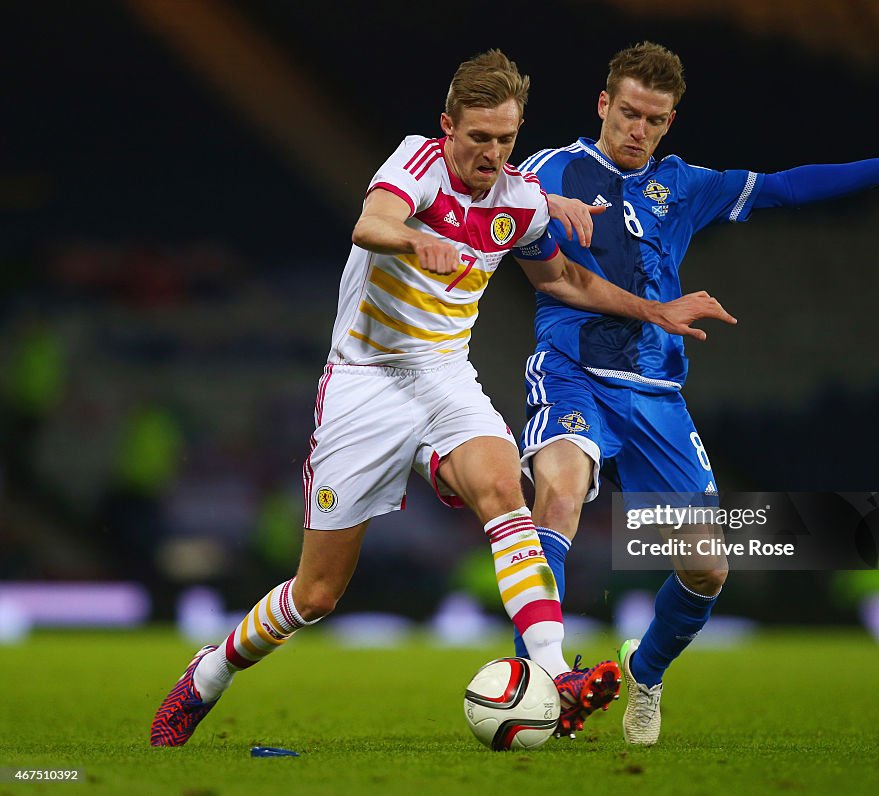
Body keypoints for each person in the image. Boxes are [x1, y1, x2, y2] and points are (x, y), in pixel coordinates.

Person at [149, 49, 732, 747]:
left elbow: (565, 282)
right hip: (364, 388)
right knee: (316, 595)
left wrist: (652, 310)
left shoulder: (519, 200)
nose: (490, 155)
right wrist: (416, 240)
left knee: (503, 490)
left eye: (506, 140)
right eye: (478, 137)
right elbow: (370, 222)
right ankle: (210, 672)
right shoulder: (415, 165)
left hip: (445, 378)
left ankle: (552, 671)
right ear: (447, 126)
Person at [512, 41, 879, 745]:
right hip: (572, 370)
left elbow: (783, 188)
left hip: (655, 393)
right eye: (626, 113)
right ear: (602, 105)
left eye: (652, 119)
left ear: (669, 122)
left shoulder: (683, 184)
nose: (636, 129)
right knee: (558, 492)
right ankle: (544, 675)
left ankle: (644, 673)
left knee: (709, 566)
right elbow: (490, 193)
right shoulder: (550, 170)